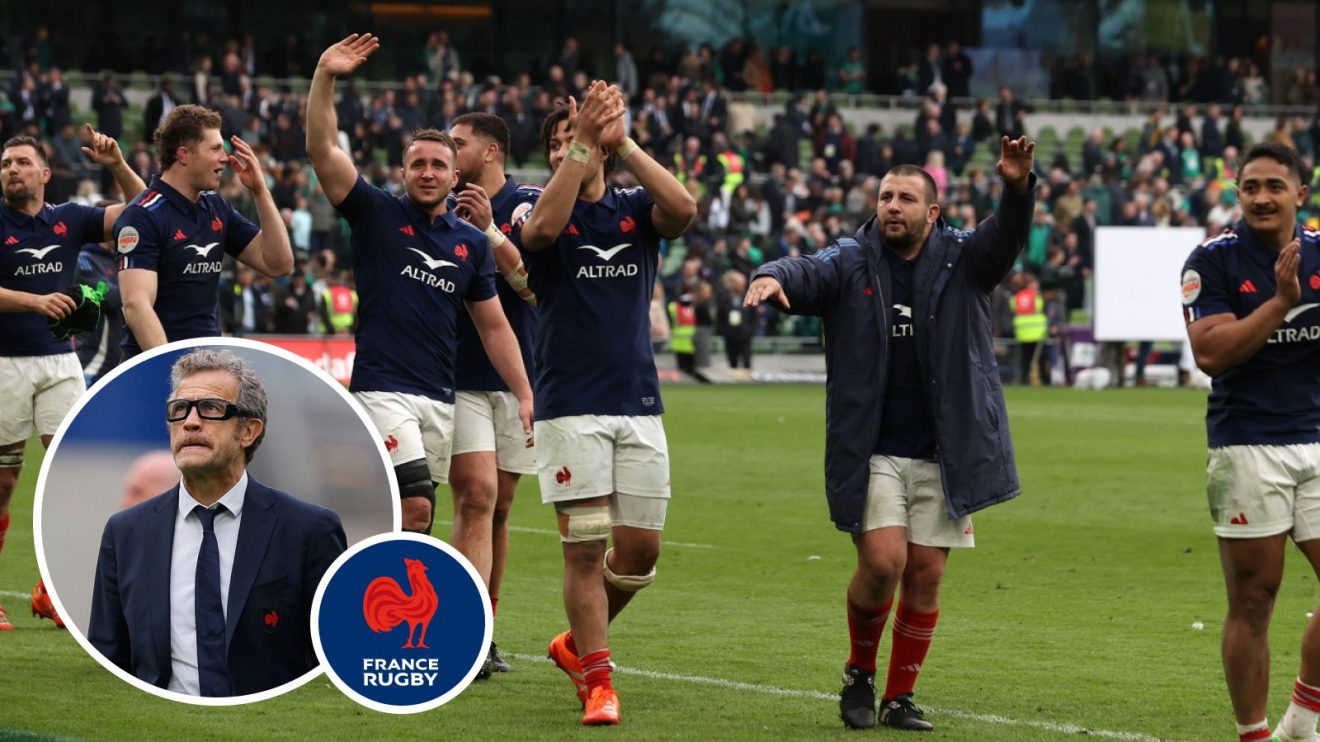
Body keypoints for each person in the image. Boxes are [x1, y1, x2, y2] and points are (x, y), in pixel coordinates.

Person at [744, 135, 1037, 731]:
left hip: (945, 450)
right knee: (883, 563)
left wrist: (1016, 188)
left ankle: (899, 698)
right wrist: (772, 275)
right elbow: (808, 270)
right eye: (885, 197)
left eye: (905, 198)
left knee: (926, 575)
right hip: (871, 447)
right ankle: (859, 672)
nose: (892, 207)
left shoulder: (965, 259)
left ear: (933, 211)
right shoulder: (852, 258)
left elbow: (1006, 236)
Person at [518, 81, 696, 726]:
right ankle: (599, 681)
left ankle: (575, 644)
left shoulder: (633, 208)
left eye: (576, 137)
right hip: (571, 406)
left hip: (638, 402)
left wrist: (625, 142)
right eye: (558, 142)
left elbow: (684, 208)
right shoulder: (535, 206)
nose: (567, 148)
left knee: (641, 552)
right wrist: (584, 145)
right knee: (586, 550)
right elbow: (541, 232)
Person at [306, 34, 533, 536]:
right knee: (414, 507)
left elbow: (494, 326)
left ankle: (377, 585)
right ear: (403, 171)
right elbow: (322, 150)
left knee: (412, 518)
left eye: (438, 165)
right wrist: (325, 76)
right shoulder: (376, 213)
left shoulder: (471, 242)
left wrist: (523, 392)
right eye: (418, 164)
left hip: (440, 396)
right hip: (383, 389)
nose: (428, 173)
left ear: (455, 177)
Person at [87, 348, 347, 696]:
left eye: (211, 408)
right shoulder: (125, 533)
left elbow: (333, 663)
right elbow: (108, 659)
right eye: (180, 409)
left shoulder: (310, 531)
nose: (190, 422)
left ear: (249, 431)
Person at [1181, 142, 1320, 742]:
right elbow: (1212, 353)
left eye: (1274, 186)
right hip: (1247, 446)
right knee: (1255, 600)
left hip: (1317, 438)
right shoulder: (1210, 261)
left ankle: (1303, 717)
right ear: (1237, 192)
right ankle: (1254, 735)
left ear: (1300, 194)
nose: (1262, 197)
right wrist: (1282, 303)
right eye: (1251, 187)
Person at [0, 128, 146, 630]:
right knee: (4, 483)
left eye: (22, 162)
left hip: (60, 363)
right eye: (6, 164)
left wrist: (118, 165)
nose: (12, 170)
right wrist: (35, 301)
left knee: (72, 473)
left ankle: (52, 590)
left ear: (45, 173)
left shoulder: (69, 219)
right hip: (5, 364)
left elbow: (146, 211)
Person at [446, 111, 542, 678]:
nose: (449, 151)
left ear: (490, 151)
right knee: (476, 497)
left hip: (519, 376)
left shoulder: (528, 204)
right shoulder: (441, 204)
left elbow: (537, 289)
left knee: (501, 508)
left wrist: (489, 231)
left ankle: (486, 631)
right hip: (458, 374)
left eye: (458, 143)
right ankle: (462, 629)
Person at [115, 104, 293, 357]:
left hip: (206, 365)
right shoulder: (142, 215)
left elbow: (278, 264)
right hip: (158, 367)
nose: (225, 157)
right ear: (184, 155)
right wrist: (173, 369)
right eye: (215, 148)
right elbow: (136, 306)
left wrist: (260, 191)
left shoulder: (216, 207)